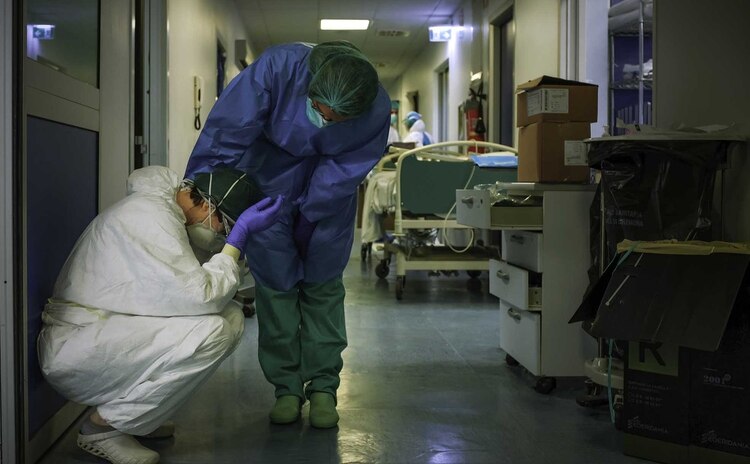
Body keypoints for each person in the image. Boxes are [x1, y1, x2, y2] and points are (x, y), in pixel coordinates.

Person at [185, 41, 390, 429]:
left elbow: (347, 166)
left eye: (336, 121)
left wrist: (312, 213)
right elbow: (229, 129)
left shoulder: (375, 106)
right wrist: (204, 189)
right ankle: (286, 388)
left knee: (323, 284)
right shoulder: (280, 68)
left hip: (330, 193)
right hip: (266, 177)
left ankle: (325, 387)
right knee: (276, 285)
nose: (324, 123)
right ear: (310, 89)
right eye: (319, 112)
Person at [38, 166, 283, 464]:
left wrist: (235, 247)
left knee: (229, 317)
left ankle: (133, 418)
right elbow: (200, 296)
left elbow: (201, 285)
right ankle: (102, 428)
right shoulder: (151, 218)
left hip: (102, 328)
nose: (221, 235)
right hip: (75, 345)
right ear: (206, 205)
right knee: (214, 331)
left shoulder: (168, 214)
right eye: (225, 226)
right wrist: (235, 244)